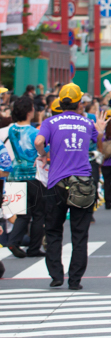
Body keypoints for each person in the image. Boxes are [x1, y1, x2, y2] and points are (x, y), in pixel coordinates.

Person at [34, 84, 108, 290]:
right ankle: (75, 280)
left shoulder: (50, 122)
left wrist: (43, 152)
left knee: (54, 230)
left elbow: (39, 141)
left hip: (56, 181)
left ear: (59, 101)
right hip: (83, 181)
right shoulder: (87, 122)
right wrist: (100, 132)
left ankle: (56, 275)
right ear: (79, 103)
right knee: (80, 233)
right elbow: (99, 147)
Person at [5, 96, 47, 258]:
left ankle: (13, 241)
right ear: (30, 111)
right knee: (38, 213)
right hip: (32, 174)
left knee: (22, 213)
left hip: (15, 174)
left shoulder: (12, 130)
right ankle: (34, 248)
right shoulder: (33, 132)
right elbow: (41, 147)